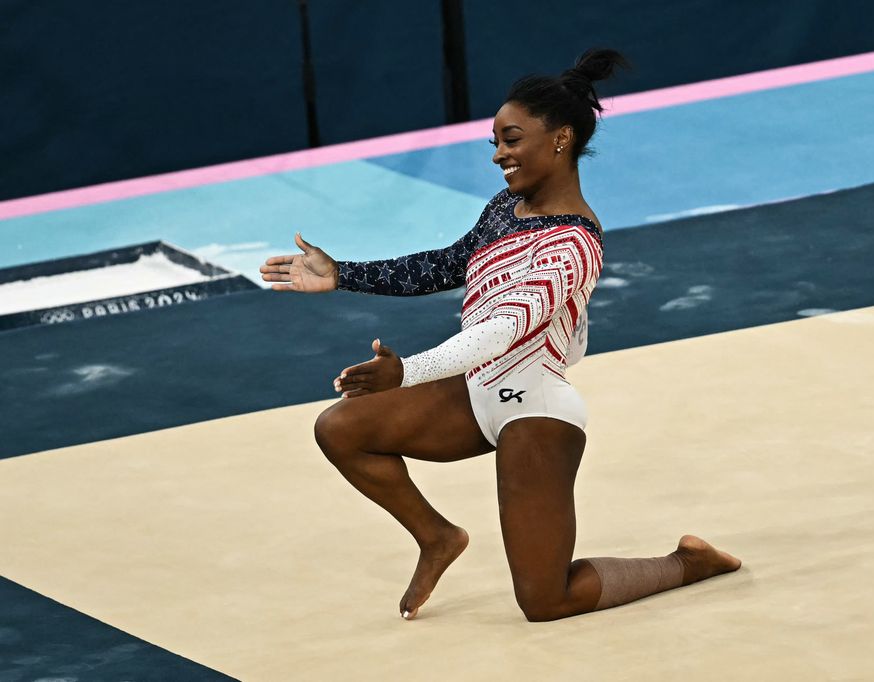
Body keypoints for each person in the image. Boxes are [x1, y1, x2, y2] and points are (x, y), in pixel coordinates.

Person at [260, 48, 741, 622]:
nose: (498, 155)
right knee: (341, 428)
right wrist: (343, 274)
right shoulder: (505, 210)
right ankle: (438, 537)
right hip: (474, 394)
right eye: (496, 141)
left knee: (545, 600)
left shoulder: (575, 244)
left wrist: (407, 371)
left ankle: (688, 563)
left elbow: (502, 330)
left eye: (511, 140)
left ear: (560, 139)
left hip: (535, 410)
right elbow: (447, 263)